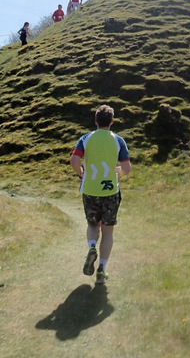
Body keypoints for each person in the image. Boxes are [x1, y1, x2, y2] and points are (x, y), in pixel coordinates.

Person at [70, 104, 132, 285]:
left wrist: (81, 172)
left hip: (89, 189)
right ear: (112, 122)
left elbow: (74, 159)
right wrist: (115, 173)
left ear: (96, 121)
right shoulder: (118, 140)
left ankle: (91, 247)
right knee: (108, 230)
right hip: (111, 191)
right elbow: (126, 168)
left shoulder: (86, 138)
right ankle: (101, 270)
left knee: (92, 225)